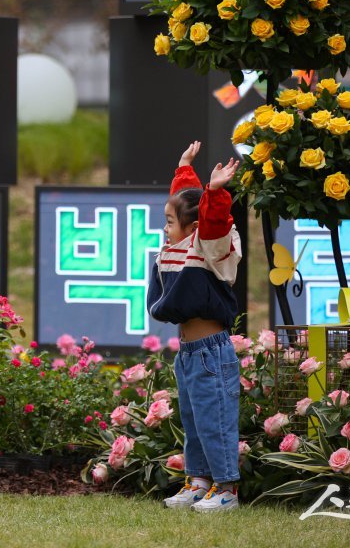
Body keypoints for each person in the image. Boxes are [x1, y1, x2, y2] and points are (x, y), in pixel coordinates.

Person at [149, 141, 242, 513]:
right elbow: (184, 201)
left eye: (170, 222)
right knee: (194, 422)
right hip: (189, 356)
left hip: (210, 354)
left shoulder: (211, 246)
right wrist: (184, 169)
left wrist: (215, 192)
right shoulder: (183, 242)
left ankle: (227, 490)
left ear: (192, 226)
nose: (166, 227)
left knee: (215, 420)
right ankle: (200, 482)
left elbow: (211, 218)